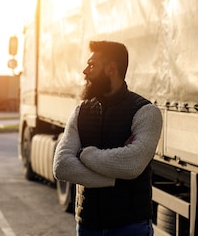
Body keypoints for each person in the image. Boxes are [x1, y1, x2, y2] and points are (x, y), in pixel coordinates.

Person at [53, 40, 163, 236]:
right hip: (88, 224)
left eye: (92, 65)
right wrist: (115, 177)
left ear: (111, 69)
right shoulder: (81, 111)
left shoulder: (146, 112)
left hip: (130, 226)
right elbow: (62, 166)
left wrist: (84, 155)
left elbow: (132, 165)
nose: (85, 71)